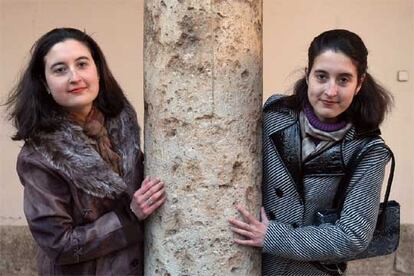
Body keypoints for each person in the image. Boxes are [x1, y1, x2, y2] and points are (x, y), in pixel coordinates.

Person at [228, 29, 393, 275]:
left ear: (360, 83)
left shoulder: (368, 150)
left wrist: (274, 237)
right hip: (249, 265)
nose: (330, 91)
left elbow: (353, 236)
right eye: (322, 76)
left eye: (344, 79)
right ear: (308, 76)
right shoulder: (275, 114)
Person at [5, 27, 166, 275]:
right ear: (44, 83)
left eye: (82, 64)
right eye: (60, 70)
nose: (74, 77)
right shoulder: (39, 157)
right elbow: (59, 244)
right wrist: (130, 215)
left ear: (98, 71)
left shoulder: (124, 126)